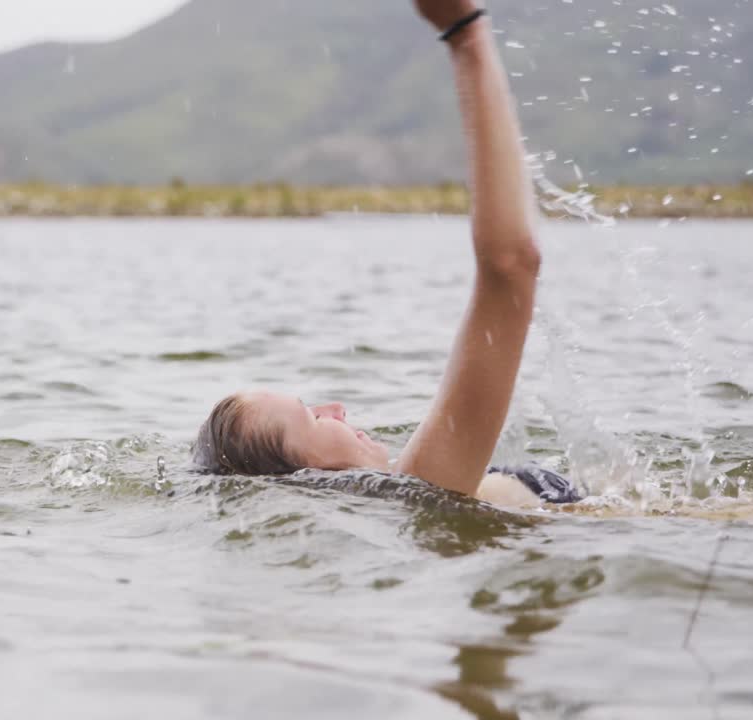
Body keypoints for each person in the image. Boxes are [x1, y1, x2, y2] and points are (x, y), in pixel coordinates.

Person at [192, 0, 582, 506]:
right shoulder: (424, 488)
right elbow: (511, 266)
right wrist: (465, 34)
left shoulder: (410, 486)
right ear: (307, 475)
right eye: (312, 417)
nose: (335, 408)